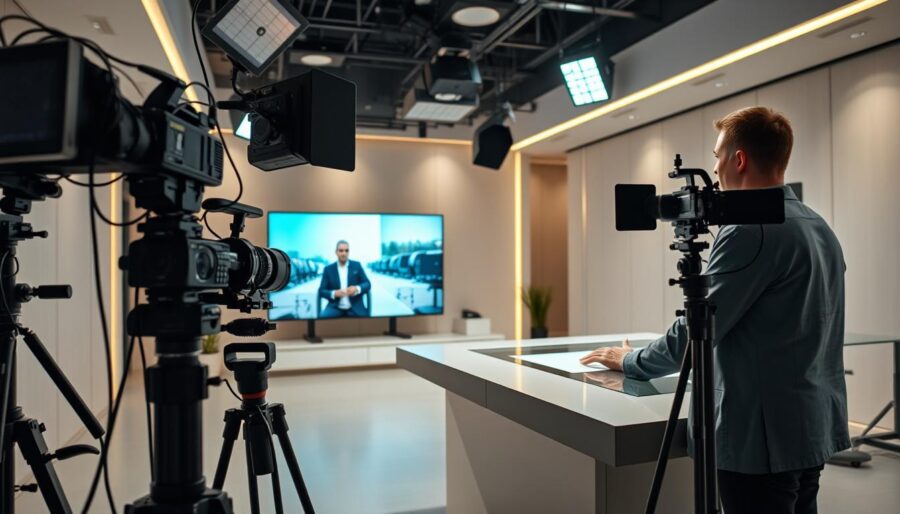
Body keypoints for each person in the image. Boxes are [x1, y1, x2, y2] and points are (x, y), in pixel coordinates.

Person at [580, 107, 849, 514]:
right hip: (810, 425)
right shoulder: (817, 225)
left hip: (760, 440)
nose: (715, 168)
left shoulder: (749, 230)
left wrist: (631, 360)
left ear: (738, 158)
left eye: (717, 156)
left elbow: (700, 327)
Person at [317, 240, 371, 318]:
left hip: (355, 307)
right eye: (341, 251)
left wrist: (357, 288)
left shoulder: (357, 266)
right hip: (335, 307)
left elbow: (367, 283)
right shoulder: (328, 269)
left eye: (346, 250)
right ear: (336, 252)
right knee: (322, 317)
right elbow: (321, 290)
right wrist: (334, 293)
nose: (344, 253)